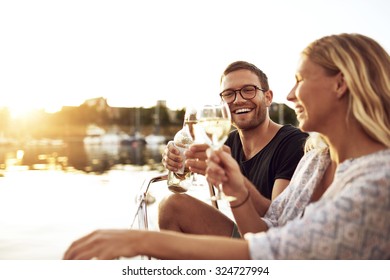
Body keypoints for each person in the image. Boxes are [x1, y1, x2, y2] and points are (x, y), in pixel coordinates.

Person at [64, 33, 390, 260]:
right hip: (262, 249)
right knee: (170, 205)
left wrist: (140, 239)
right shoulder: (317, 156)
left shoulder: (377, 182)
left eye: (300, 80)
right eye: (228, 94)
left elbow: (278, 253)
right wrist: (234, 186)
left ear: (341, 83)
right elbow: (272, 224)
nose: (292, 95)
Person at [159, 61, 308, 237]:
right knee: (170, 206)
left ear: (268, 97)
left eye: (248, 90)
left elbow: (278, 220)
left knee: (173, 207)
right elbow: (189, 176)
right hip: (244, 235)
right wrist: (178, 163)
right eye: (229, 94)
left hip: (269, 244)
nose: (238, 100)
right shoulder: (227, 142)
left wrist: (233, 179)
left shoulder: (294, 143)